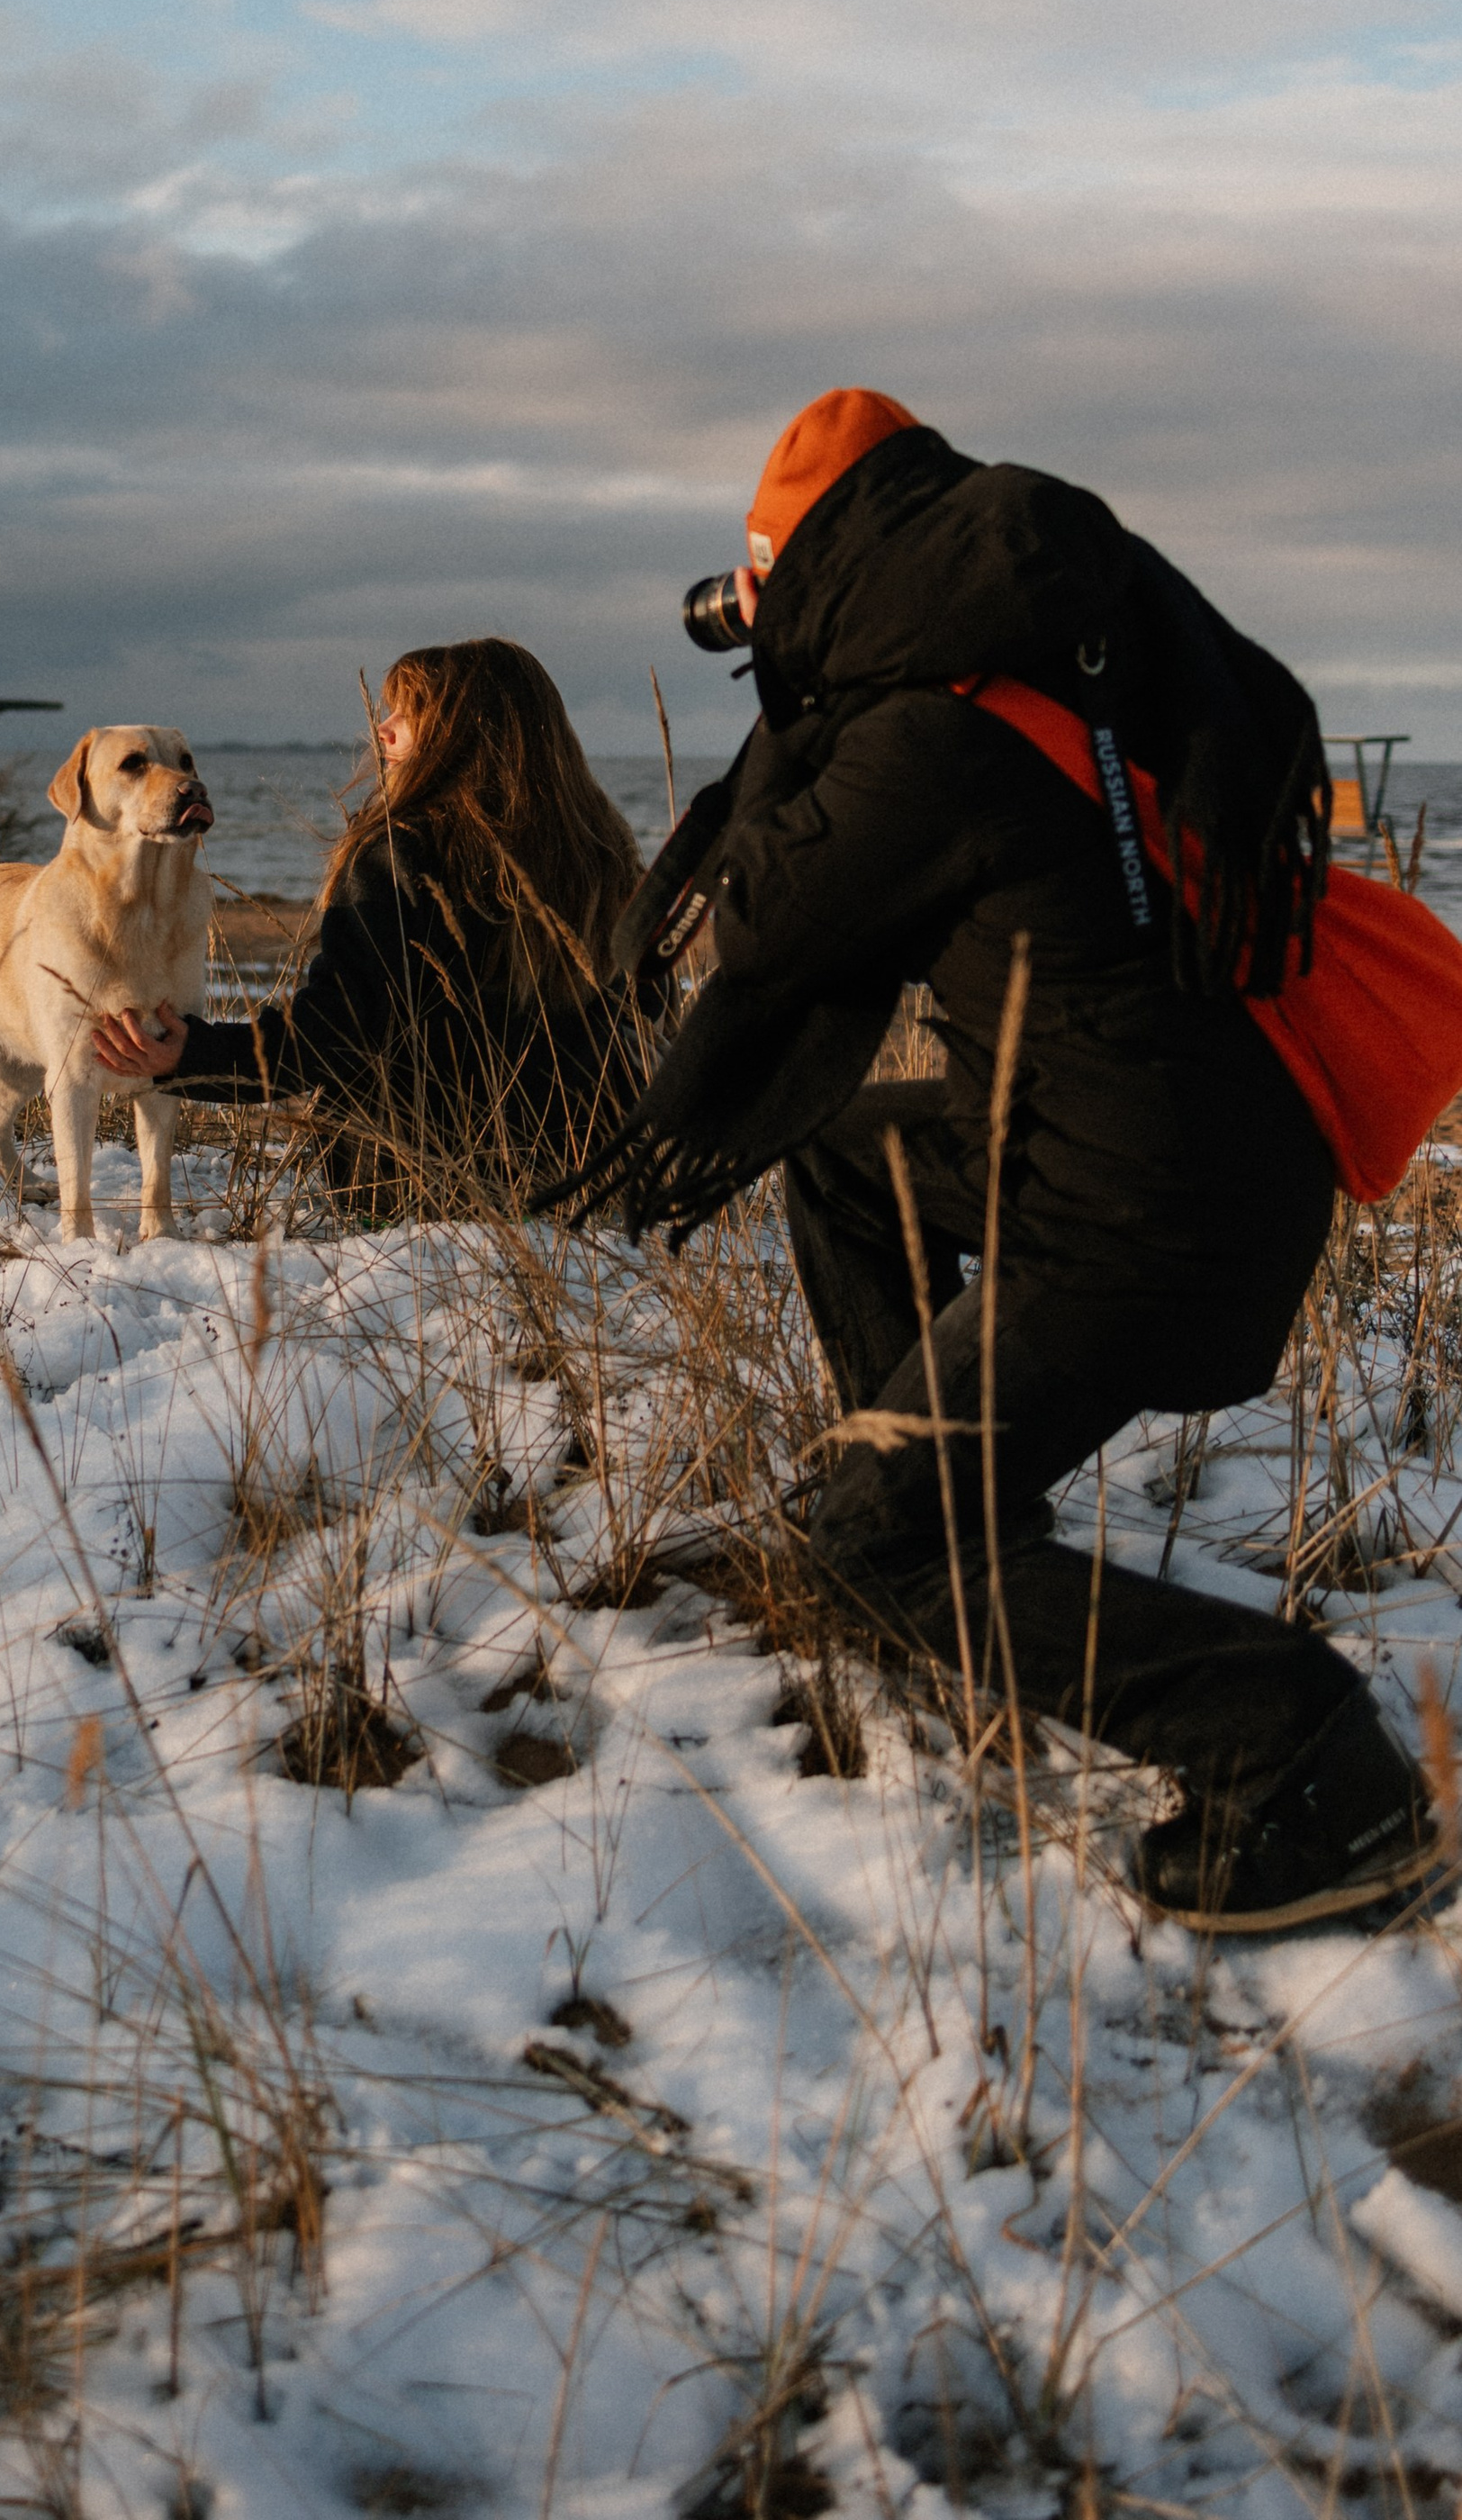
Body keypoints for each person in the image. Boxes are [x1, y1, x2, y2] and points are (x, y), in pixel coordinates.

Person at [558, 387, 1455, 1936]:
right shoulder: (1064, 673)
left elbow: (770, 918)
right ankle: (959, 1531)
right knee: (847, 1163)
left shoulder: (930, 737)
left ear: (819, 571)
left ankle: (1311, 1761)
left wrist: (791, 706)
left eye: (769, 586)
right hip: (1175, 1154)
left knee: (868, 1540)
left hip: (1138, 1217)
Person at [92, 638, 652, 1214]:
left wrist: (197, 1055)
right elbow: (644, 1012)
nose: (383, 729)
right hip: (588, 1168)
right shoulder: (603, 854)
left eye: (408, 716)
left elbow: (336, 1031)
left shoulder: (401, 851)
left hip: (414, 1176)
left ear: (464, 734)